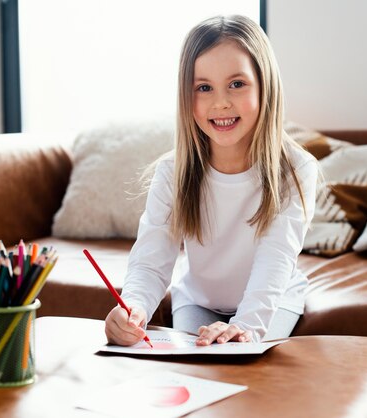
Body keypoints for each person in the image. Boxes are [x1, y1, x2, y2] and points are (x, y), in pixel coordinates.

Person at [105, 14, 318, 346]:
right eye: (204, 88)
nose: (221, 102)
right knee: (197, 367)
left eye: (237, 84)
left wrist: (246, 325)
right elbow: (151, 261)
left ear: (266, 86)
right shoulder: (172, 172)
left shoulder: (295, 169)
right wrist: (132, 306)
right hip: (198, 301)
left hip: (272, 302)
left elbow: (274, 260)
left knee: (241, 359)